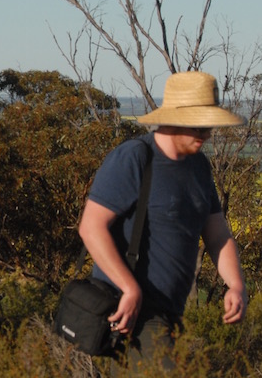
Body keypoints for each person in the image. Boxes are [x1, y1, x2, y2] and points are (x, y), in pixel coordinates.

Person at [78, 71, 247, 374]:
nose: (206, 133)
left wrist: (235, 284)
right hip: (136, 314)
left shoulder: (199, 168)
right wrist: (130, 289)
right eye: (198, 124)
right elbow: (91, 226)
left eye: (209, 125)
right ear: (172, 118)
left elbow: (218, 235)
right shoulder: (134, 158)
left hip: (171, 315)